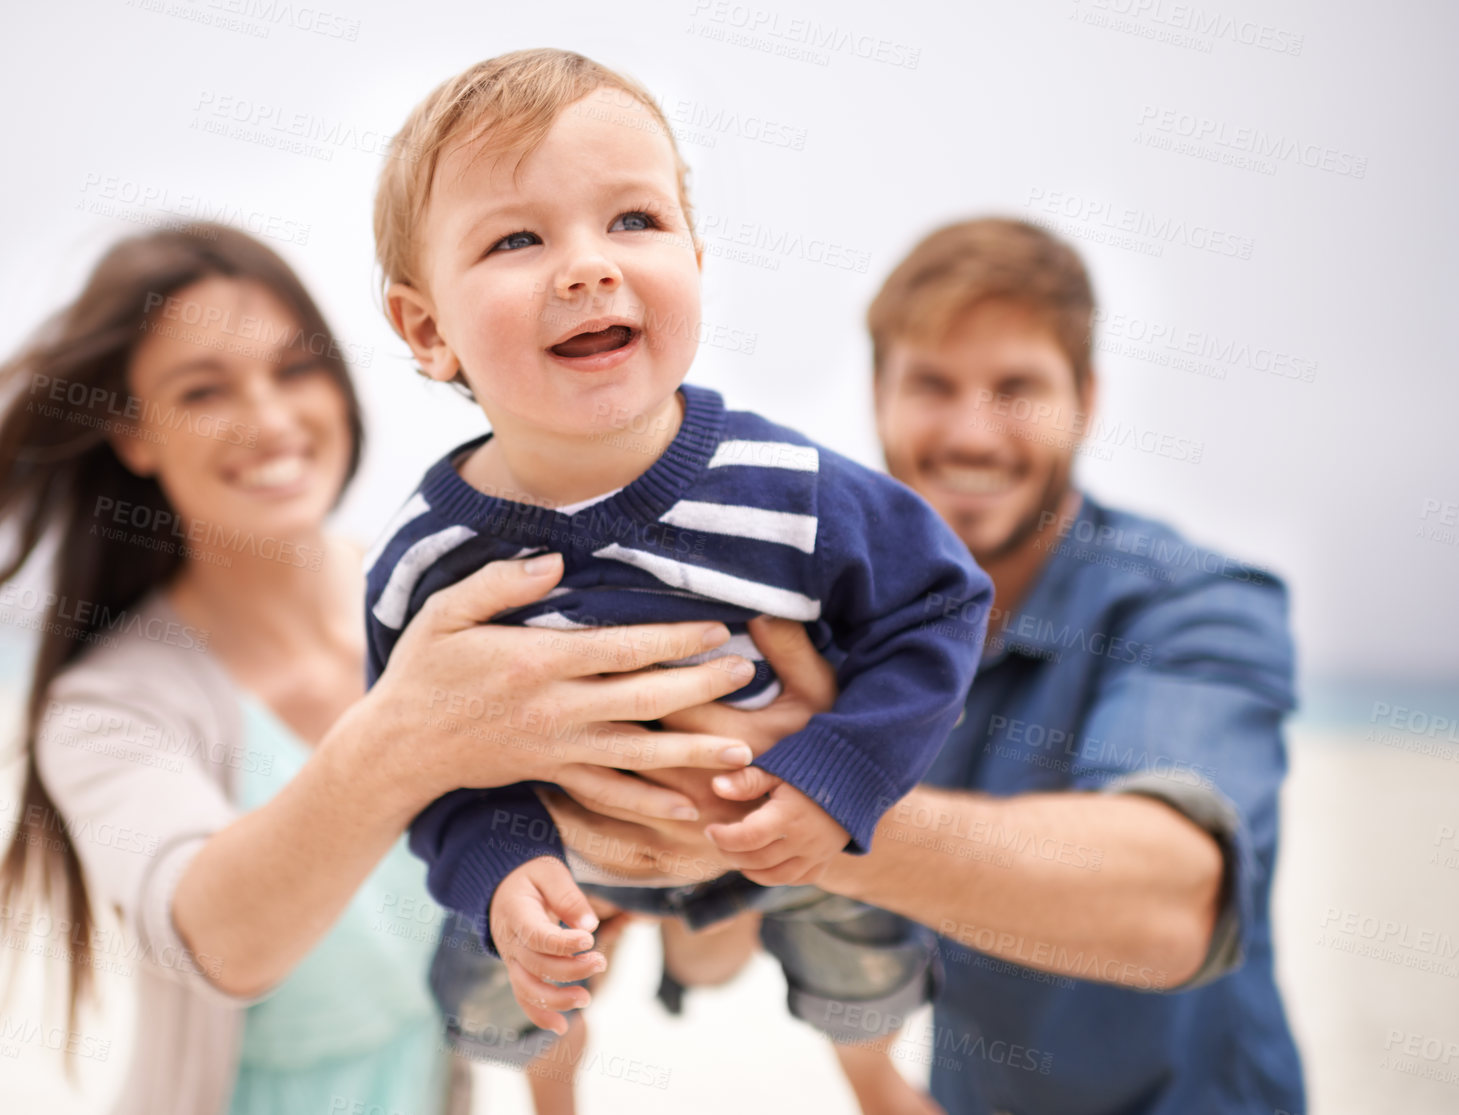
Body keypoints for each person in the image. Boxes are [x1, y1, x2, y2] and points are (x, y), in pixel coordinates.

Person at [0, 223, 769, 1115]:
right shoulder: (112, 707)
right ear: (131, 436)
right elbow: (219, 941)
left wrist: (717, 839)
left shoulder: (455, 612)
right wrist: (404, 736)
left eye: (294, 367)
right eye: (203, 388)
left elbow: (702, 953)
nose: (270, 417)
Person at [544, 217, 1306, 1114]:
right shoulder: (831, 619)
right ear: (877, 395)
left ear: (1087, 400)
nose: (971, 434)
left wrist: (814, 795)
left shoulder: (1196, 603)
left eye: (1016, 388)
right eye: (932, 385)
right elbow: (713, 955)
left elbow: (1172, 903)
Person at [366, 49, 993, 1115]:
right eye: (518, 239)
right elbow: (418, 760)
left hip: (775, 814)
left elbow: (939, 605)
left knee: (864, 948)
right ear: (429, 331)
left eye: (634, 222)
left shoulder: (787, 488)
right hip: (564, 841)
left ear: (697, 261)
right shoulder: (433, 557)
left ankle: (871, 1078)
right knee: (489, 977)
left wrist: (834, 776)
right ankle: (550, 1092)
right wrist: (501, 868)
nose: (587, 267)